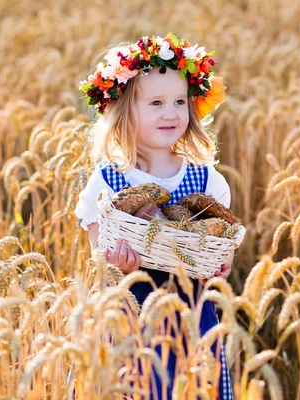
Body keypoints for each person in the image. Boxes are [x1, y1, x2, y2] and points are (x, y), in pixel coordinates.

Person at [75, 34, 243, 399]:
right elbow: (99, 254)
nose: (171, 113)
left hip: (190, 315)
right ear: (123, 111)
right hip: (128, 314)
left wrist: (221, 264)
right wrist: (118, 264)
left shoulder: (206, 180)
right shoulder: (107, 182)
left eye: (180, 101)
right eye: (156, 103)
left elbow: (223, 244)